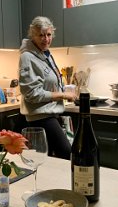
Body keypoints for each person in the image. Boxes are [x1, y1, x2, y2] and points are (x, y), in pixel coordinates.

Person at [18, 16, 76, 160]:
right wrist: (62, 95)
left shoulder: (45, 54)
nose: (46, 39)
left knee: (47, 159)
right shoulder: (27, 57)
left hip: (50, 114)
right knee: (67, 153)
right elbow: (32, 94)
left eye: (48, 35)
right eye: (41, 35)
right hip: (40, 117)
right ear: (33, 35)